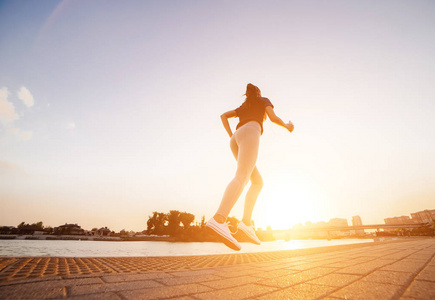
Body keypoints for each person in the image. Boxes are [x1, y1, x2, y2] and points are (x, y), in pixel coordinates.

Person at [206, 83, 294, 250]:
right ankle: (219, 219)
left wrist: (232, 135)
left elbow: (223, 116)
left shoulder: (244, 106)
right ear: (258, 93)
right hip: (251, 132)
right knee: (242, 177)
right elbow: (274, 118)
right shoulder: (263, 100)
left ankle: (246, 223)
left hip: (236, 139)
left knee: (257, 182)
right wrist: (288, 126)